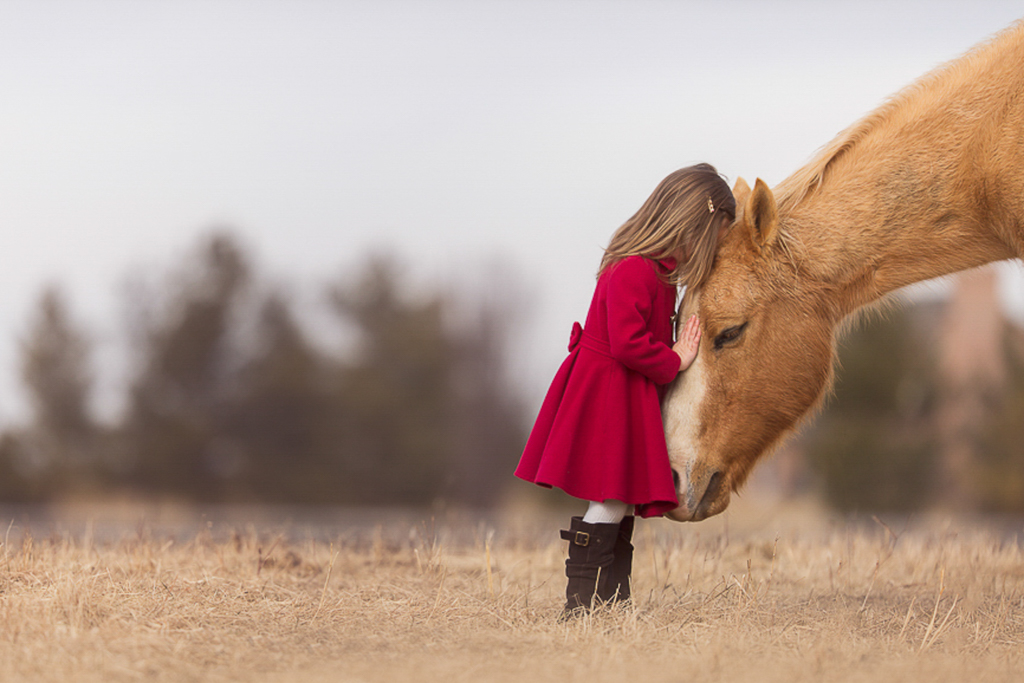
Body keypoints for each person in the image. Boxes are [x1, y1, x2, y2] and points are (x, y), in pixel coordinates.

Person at [514, 164, 736, 618]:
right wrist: (676, 358)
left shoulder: (656, 273)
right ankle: (581, 609)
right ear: (692, 224)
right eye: (715, 238)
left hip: (626, 396)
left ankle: (611, 605)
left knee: (622, 503)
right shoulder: (635, 269)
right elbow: (627, 342)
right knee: (611, 499)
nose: (713, 252)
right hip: (610, 398)